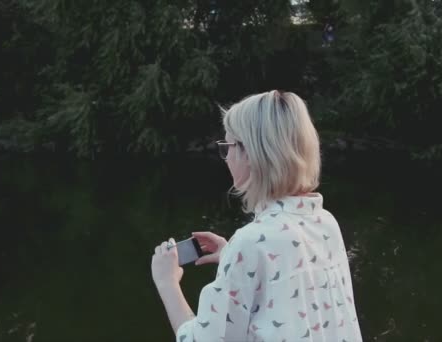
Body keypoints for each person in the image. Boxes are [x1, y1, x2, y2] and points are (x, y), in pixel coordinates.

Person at [151, 90, 362, 341]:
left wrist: (167, 283)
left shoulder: (251, 242)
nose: (226, 157)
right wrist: (238, 260)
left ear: (251, 153)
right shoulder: (325, 222)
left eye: (228, 146)